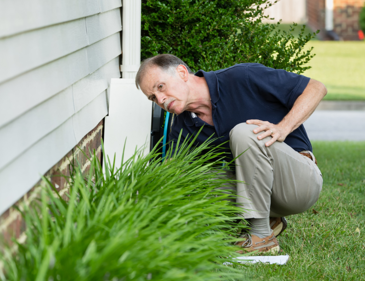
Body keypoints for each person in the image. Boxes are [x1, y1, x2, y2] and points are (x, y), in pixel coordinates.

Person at [135, 54, 325, 253]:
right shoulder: (183, 128)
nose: (161, 99)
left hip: (299, 184)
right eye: (153, 97)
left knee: (244, 133)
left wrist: (283, 128)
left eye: (161, 87)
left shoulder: (242, 77)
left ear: (182, 72)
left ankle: (261, 236)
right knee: (187, 179)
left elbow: (316, 88)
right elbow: (170, 176)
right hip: (263, 194)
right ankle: (268, 219)